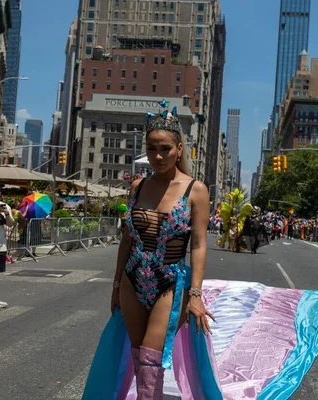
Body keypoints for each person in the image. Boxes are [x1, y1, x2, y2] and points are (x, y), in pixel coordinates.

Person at [83, 100, 215, 398]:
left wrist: (195, 294)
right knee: (137, 355)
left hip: (169, 284)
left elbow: (199, 245)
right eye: (152, 148)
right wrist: (117, 284)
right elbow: (127, 240)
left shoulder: (196, 190)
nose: (157, 155)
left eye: (165, 148)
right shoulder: (138, 187)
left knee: (152, 359)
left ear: (179, 149)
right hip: (132, 280)